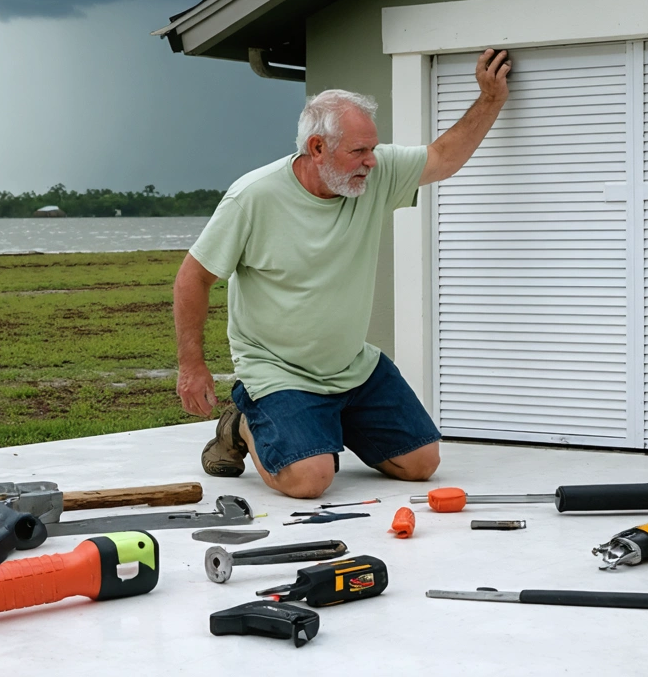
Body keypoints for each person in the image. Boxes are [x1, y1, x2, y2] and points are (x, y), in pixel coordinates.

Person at [174, 48, 511, 498]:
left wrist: (490, 99)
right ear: (317, 149)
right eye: (359, 151)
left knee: (421, 463)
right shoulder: (253, 198)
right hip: (279, 371)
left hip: (351, 365)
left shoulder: (373, 175)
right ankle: (244, 424)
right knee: (311, 480)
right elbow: (193, 277)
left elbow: (444, 157)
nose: (372, 160)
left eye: (372, 148)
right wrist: (191, 365)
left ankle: (323, 425)